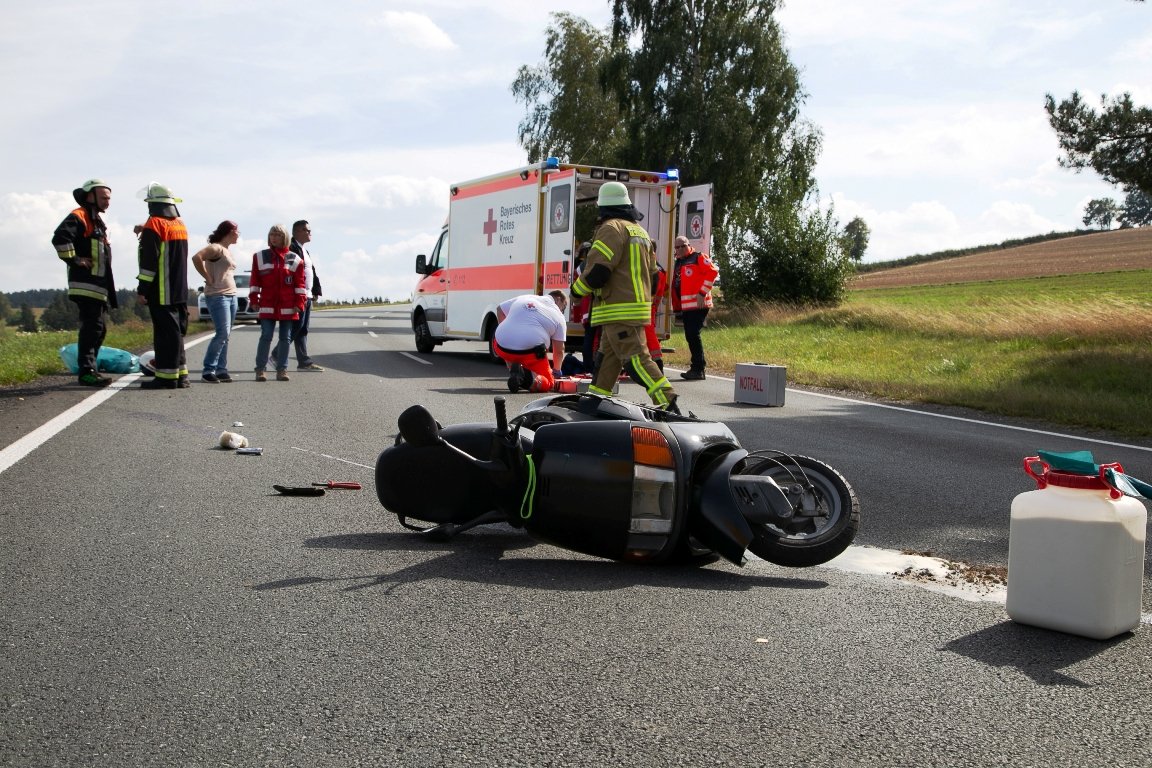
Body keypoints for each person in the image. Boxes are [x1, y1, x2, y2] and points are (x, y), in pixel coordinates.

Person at [571, 181, 677, 411]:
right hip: (630, 309)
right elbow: (655, 276)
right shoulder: (640, 231)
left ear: (603, 207)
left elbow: (599, 271)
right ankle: (595, 401)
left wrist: (576, 291)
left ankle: (668, 401)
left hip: (618, 309)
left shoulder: (610, 229)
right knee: (607, 359)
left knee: (636, 360)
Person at [51, 178, 118, 387]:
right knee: (93, 328)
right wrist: (75, 259)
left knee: (99, 329)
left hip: (98, 287)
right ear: (90, 196)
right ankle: (86, 372)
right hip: (86, 286)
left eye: (109, 198)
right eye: (104, 198)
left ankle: (90, 370)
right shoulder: (79, 216)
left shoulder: (95, 219)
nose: (108, 202)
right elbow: (60, 238)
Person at [135, 182, 190, 390]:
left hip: (161, 290)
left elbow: (149, 264)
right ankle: (180, 375)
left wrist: (142, 290)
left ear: (152, 204)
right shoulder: (179, 224)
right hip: (179, 290)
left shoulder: (154, 225)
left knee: (165, 335)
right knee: (176, 333)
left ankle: (166, 378)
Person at [250, 224, 306, 382]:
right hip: (268, 303)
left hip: (288, 306)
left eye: (277, 235)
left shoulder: (295, 259)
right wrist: (254, 299)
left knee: (285, 338)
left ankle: (282, 369)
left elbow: (300, 285)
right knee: (266, 336)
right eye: (271, 235)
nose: (273, 238)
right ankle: (260, 369)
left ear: (285, 238)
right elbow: (255, 280)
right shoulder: (259, 256)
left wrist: (299, 303)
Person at [191, 221, 240, 383]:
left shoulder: (227, 250)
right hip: (218, 296)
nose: (239, 235)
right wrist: (207, 277)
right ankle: (208, 370)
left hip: (231, 296)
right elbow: (196, 257)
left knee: (226, 335)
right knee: (222, 333)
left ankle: (221, 369)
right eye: (237, 231)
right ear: (230, 232)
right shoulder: (216, 248)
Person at [494, 291, 568, 393]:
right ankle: (526, 378)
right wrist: (556, 371)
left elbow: (499, 309)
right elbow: (559, 350)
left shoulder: (525, 297)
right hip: (531, 353)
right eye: (563, 308)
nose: (562, 311)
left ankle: (515, 369)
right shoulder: (559, 316)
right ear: (559, 299)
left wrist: (506, 335)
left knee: (515, 352)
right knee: (549, 382)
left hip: (500, 346)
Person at [672, 234, 719, 380]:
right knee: (690, 336)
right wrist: (677, 308)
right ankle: (697, 368)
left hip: (698, 305)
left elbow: (713, 272)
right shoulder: (679, 262)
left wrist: (702, 293)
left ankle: (698, 369)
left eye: (683, 246)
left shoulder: (698, 257)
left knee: (693, 334)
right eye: (677, 247)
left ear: (688, 245)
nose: (680, 249)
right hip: (687, 307)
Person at [287, 219, 324, 371]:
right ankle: (276, 355)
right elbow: (290, 271)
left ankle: (304, 362)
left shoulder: (304, 250)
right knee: (296, 328)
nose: (309, 233)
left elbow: (311, 272)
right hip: (298, 295)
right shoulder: (291, 248)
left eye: (309, 230)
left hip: (307, 295)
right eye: (306, 230)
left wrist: (315, 290)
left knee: (302, 329)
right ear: (296, 232)